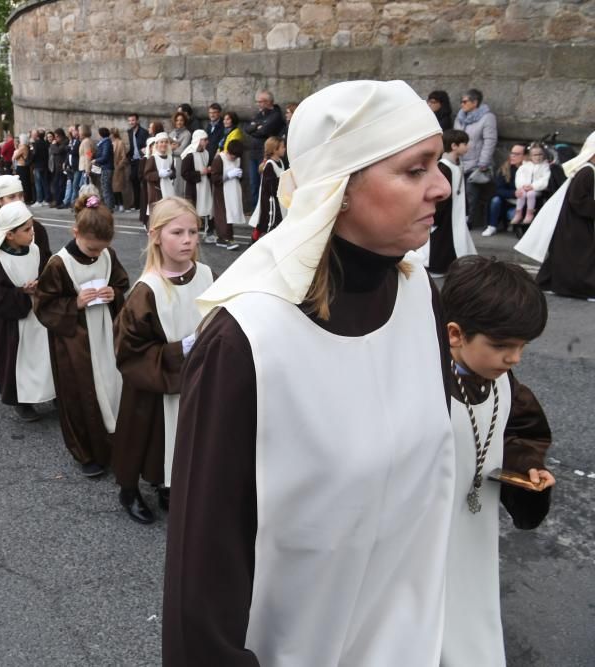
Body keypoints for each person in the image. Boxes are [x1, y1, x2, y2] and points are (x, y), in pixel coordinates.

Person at [163, 80, 455, 666]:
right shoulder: (247, 341)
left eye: (439, 164)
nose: (442, 187)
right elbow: (203, 577)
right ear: (340, 189)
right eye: (415, 169)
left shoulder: (418, 291)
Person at [439, 255, 554, 667]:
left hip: (474, 524)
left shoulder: (504, 382)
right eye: (502, 346)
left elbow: (518, 429)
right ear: (455, 334)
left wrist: (526, 466)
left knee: (470, 600)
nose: (515, 358)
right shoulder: (424, 382)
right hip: (426, 526)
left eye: (522, 346)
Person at [112, 197, 213, 524]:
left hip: (195, 376)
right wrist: (177, 349)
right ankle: (129, 489)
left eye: (193, 232)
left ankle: (170, 484)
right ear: (156, 236)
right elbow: (129, 349)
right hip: (154, 381)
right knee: (146, 435)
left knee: (184, 433)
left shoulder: (206, 275)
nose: (187, 240)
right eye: (177, 232)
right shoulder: (148, 289)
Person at [34, 192, 129, 478]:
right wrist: (73, 303)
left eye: (100, 250)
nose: (95, 254)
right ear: (75, 232)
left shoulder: (107, 255)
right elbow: (44, 304)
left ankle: (116, 441)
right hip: (74, 338)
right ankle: (86, 451)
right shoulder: (59, 264)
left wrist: (115, 293)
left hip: (105, 332)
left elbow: (121, 282)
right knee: (81, 393)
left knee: (112, 387)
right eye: (90, 249)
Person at [0, 201, 56, 422]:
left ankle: (53, 393)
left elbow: (47, 273)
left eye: (31, 227)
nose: (33, 232)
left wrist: (41, 285)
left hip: (39, 317)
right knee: (17, 361)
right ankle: (21, 402)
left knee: (45, 356)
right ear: (10, 235)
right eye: (26, 229)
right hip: (15, 323)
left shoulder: (35, 250)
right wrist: (21, 293)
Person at [516, 130, 595, 300]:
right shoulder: (588, 171)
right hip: (576, 222)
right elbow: (577, 199)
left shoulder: (587, 170)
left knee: (562, 253)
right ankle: (585, 289)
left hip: (572, 220)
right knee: (583, 256)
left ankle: (549, 282)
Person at [421, 128, 476, 275]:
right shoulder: (444, 166)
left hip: (455, 210)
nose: (468, 146)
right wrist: (437, 215)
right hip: (445, 211)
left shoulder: (457, 164)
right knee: (442, 239)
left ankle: (449, 264)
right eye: (465, 143)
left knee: (452, 238)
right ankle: (437, 266)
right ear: (454, 146)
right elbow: (440, 194)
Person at [0, 174, 52, 264]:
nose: (18, 201)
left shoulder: (37, 228)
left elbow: (46, 263)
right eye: (11, 197)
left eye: (21, 195)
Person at [454, 88, 498, 229]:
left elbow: (489, 140)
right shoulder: (460, 117)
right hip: (460, 162)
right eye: (461, 101)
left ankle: (470, 220)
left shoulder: (487, 117)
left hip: (476, 163)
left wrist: (483, 162)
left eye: (465, 101)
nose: (462, 104)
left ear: (475, 102)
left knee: (471, 194)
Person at [245, 90, 285, 212]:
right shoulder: (260, 114)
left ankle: (264, 210)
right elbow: (247, 128)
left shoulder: (276, 115)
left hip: (265, 153)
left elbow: (263, 131)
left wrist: (256, 128)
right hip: (253, 153)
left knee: (264, 184)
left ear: (268, 102)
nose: (258, 104)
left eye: (260, 101)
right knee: (253, 184)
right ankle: (255, 210)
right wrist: (256, 126)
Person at [247, 136, 287, 241]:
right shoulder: (270, 165)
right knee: (268, 223)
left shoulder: (281, 162)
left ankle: (254, 241)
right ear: (275, 150)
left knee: (263, 223)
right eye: (282, 147)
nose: (285, 149)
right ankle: (255, 242)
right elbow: (270, 187)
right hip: (270, 201)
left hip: (277, 198)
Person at [482, 144, 526, 237]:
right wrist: (514, 193)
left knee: (513, 215)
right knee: (495, 200)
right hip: (507, 201)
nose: (512, 156)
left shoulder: (530, 169)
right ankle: (492, 226)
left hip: (524, 202)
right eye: (512, 153)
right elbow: (498, 189)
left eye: (517, 154)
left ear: (525, 156)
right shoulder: (505, 168)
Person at [209, 139, 244, 250]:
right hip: (221, 191)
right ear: (228, 152)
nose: (233, 159)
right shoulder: (219, 159)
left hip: (233, 190)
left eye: (235, 157)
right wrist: (228, 175)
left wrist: (239, 175)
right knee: (224, 215)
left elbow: (240, 173)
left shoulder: (238, 159)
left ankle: (223, 238)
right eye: (232, 156)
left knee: (231, 214)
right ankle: (227, 238)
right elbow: (214, 178)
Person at [180, 129, 213, 239]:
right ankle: (191, 234)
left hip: (205, 186)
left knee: (208, 208)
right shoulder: (189, 155)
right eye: (205, 140)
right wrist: (200, 173)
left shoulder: (206, 153)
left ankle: (208, 233)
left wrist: (209, 171)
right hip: (193, 188)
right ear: (198, 141)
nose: (207, 142)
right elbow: (184, 173)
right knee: (192, 212)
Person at [510, 143, 551, 226]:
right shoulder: (525, 166)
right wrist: (522, 186)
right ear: (530, 156)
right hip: (525, 188)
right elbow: (519, 177)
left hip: (536, 189)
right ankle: (518, 213)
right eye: (535, 155)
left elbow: (545, 180)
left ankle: (529, 213)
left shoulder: (545, 166)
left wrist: (533, 186)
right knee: (522, 193)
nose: (538, 157)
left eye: (540, 154)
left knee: (530, 193)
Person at [144, 132, 177, 214]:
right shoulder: (152, 158)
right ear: (157, 144)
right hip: (157, 191)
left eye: (166, 142)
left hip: (168, 189)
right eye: (161, 142)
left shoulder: (170, 157)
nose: (164, 144)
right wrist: (158, 174)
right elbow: (147, 175)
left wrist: (171, 173)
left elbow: (174, 172)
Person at [127, 114, 150, 212]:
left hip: (142, 159)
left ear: (137, 121)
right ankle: (136, 204)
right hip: (133, 160)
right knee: (134, 180)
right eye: (130, 120)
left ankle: (142, 204)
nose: (131, 122)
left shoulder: (143, 132)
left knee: (142, 181)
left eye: (133, 120)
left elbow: (146, 145)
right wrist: (129, 157)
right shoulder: (129, 132)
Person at [93, 128, 114, 209]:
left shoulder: (106, 143)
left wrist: (96, 160)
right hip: (106, 167)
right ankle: (110, 205)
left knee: (105, 188)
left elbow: (105, 156)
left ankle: (108, 207)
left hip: (106, 168)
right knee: (107, 187)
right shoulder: (104, 143)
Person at [111, 128, 129, 213]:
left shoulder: (120, 143)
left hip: (117, 168)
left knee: (117, 188)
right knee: (113, 188)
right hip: (111, 168)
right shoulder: (111, 143)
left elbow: (123, 157)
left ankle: (121, 204)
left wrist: (119, 166)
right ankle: (116, 204)